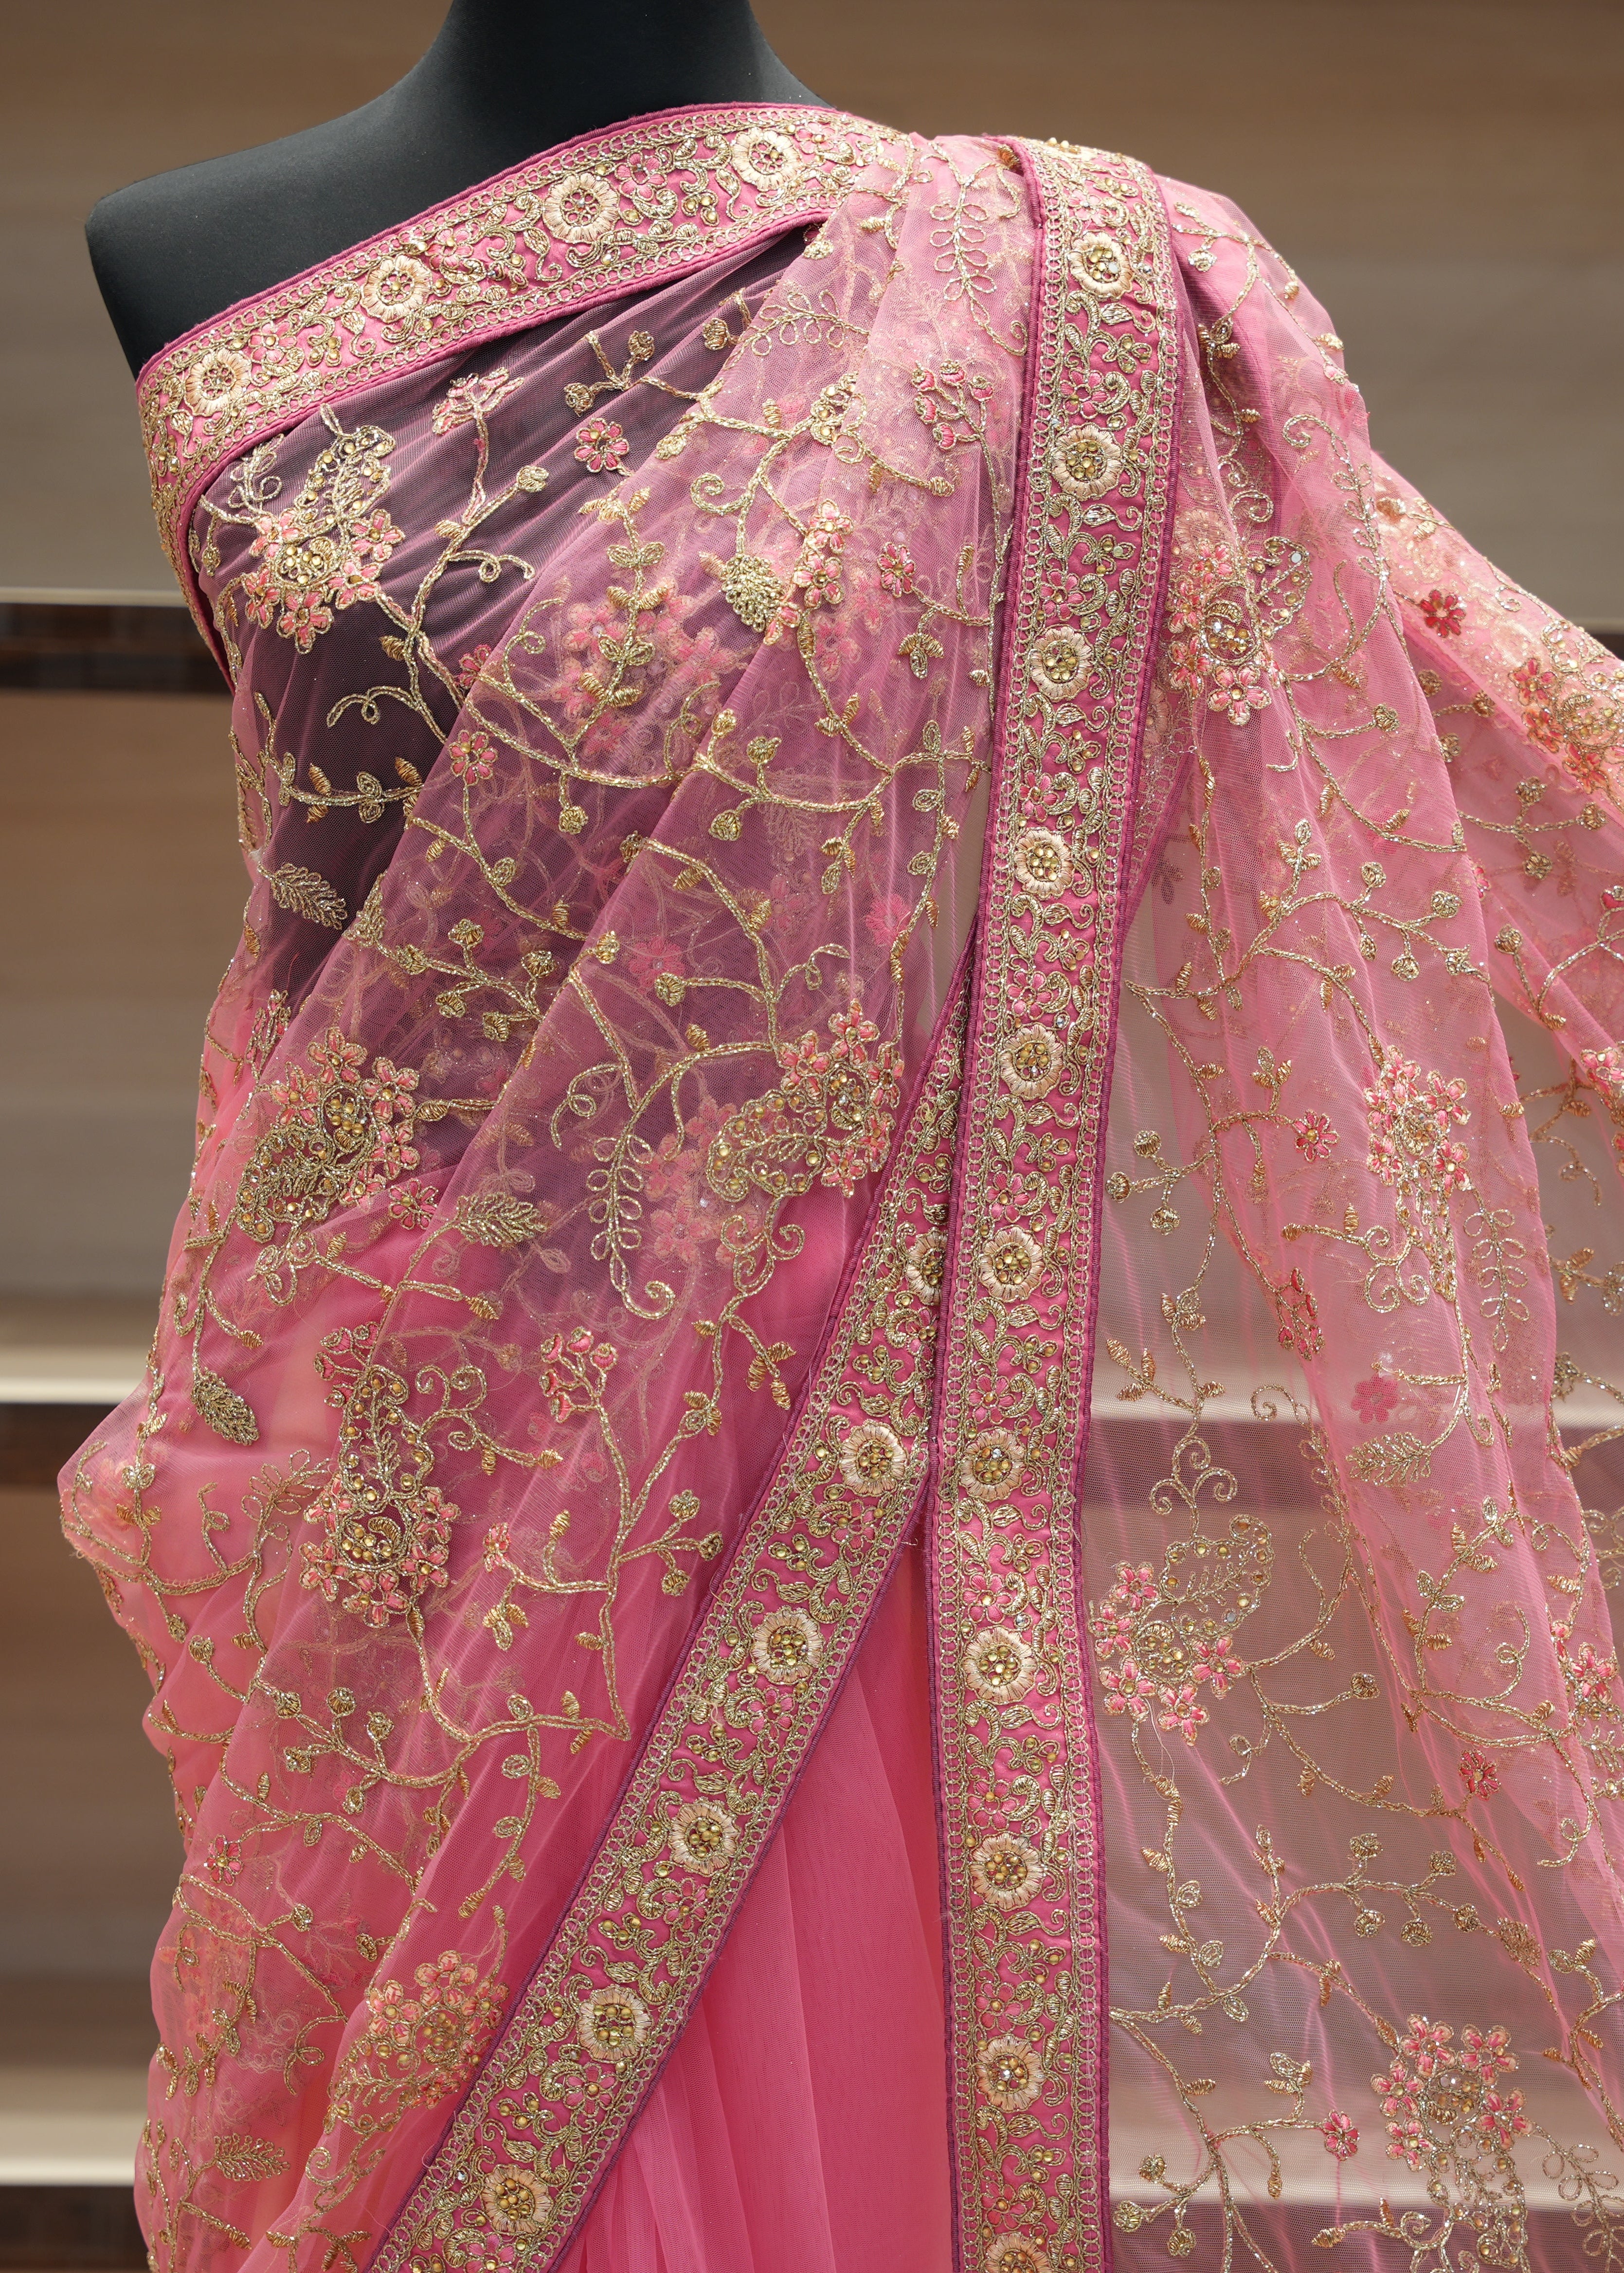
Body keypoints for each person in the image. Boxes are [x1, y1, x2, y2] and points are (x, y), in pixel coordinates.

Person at [70, 6, 1624, 2269]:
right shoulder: (185, 262)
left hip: (785, 1462)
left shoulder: (1050, 291)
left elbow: (1490, 737)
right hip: (359, 1461)